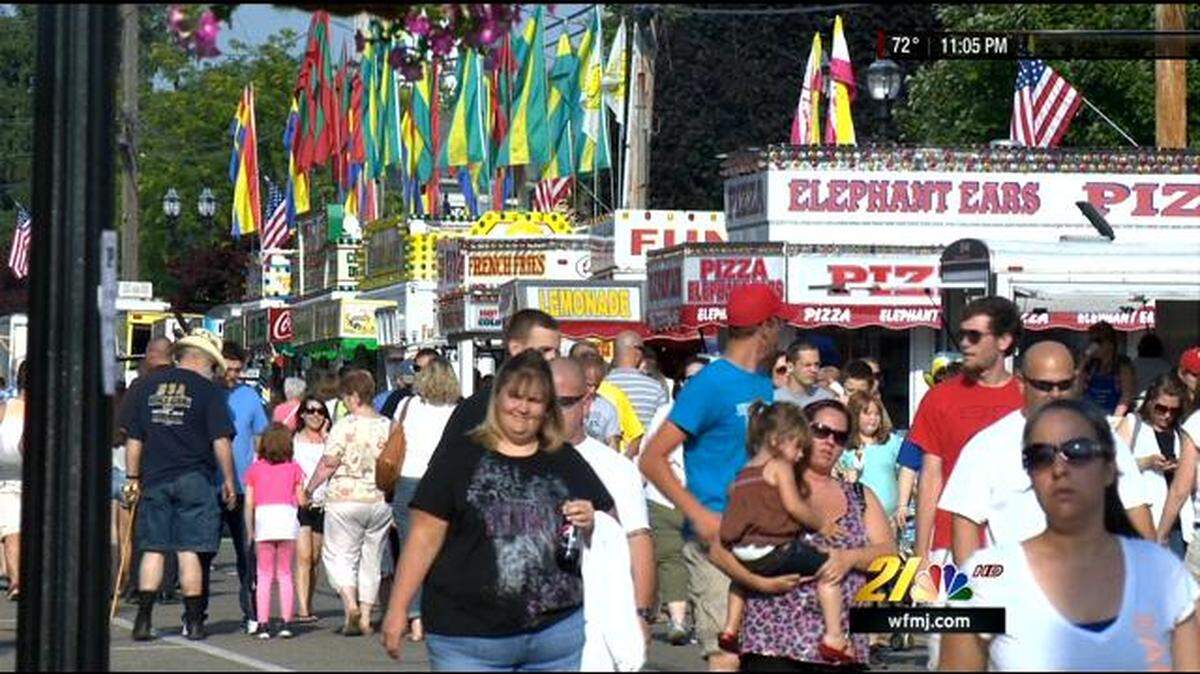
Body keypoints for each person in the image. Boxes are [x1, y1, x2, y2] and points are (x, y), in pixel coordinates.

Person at [380, 350, 613, 670]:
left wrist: (591, 521)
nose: (522, 408)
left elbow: (609, 523)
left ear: (546, 408)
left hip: (553, 636)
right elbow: (422, 537)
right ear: (495, 399)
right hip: (468, 638)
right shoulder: (460, 457)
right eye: (514, 397)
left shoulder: (563, 458)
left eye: (534, 400)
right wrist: (398, 609)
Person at [940, 399, 1200, 671]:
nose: (1060, 469)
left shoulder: (1165, 580)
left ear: (1111, 469)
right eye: (1040, 457)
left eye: (1079, 452)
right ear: (1028, 473)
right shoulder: (987, 582)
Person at [641, 283, 786, 671]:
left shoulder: (765, 382)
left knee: (768, 653)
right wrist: (698, 514)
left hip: (766, 536)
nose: (784, 332)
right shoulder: (709, 384)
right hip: (718, 537)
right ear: (766, 327)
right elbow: (652, 459)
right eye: (780, 324)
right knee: (727, 655)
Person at [708, 399, 896, 670]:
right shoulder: (768, 483)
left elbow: (888, 553)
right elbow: (718, 549)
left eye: (840, 436)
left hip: (843, 650)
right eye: (820, 430)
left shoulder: (859, 496)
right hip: (772, 645)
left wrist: (847, 558)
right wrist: (758, 583)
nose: (830, 441)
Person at [940, 341, 1155, 569]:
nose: (1055, 394)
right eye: (1044, 386)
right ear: (1022, 383)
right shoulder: (987, 447)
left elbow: (1138, 518)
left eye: (1064, 385)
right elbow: (965, 537)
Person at [910, 297, 1025, 669]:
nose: (964, 343)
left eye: (975, 336)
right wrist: (920, 558)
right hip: (948, 551)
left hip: (1014, 548)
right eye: (962, 335)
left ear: (1005, 341)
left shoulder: (1028, 398)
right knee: (947, 658)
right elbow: (930, 477)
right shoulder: (939, 398)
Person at [124, 329, 237, 641]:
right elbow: (221, 441)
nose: (214, 372)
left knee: (153, 549)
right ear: (201, 361)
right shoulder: (209, 392)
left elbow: (134, 439)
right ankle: (195, 622)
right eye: (213, 366)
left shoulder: (145, 386)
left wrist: (133, 479)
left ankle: (143, 619)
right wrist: (228, 479)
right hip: (195, 477)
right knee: (189, 550)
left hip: (155, 476)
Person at [551, 358, 655, 646]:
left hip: (597, 613)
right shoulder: (518, 460)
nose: (552, 412)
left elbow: (638, 539)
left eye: (563, 403)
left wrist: (642, 614)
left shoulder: (616, 469)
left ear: (587, 403)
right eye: (545, 402)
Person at [304, 370, 393, 637]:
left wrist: (310, 488)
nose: (343, 402)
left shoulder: (345, 425)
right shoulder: (389, 425)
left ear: (353, 397)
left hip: (345, 499)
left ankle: (350, 605)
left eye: (345, 398)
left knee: (339, 556)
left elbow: (329, 463)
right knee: (372, 558)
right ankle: (366, 616)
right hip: (379, 500)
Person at [388, 356, 460, 642]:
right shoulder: (457, 410)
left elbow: (392, 438)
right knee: (446, 552)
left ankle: (416, 619)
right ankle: (442, 614)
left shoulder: (408, 406)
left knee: (410, 551)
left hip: (408, 481)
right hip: (443, 483)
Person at [641, 355, 708, 645]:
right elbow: (647, 452)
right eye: (691, 379)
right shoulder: (665, 412)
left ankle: (707, 623)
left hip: (705, 501)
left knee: (705, 562)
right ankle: (679, 622)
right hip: (663, 497)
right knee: (671, 559)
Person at [433, 310, 562, 458]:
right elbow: (445, 470)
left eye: (556, 352)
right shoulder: (478, 408)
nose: (552, 358)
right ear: (516, 349)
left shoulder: (554, 403)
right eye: (544, 350)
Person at [1117, 373, 1194, 559]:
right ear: (1150, 402)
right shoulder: (1132, 424)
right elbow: (1114, 469)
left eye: (1173, 410)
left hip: (1178, 522)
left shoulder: (1182, 430)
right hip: (1142, 519)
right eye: (1161, 408)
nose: (1167, 415)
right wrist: (1147, 462)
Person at [220, 342, 270, 633]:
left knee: (247, 553)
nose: (235, 375)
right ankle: (195, 613)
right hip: (211, 484)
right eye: (230, 368)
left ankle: (251, 611)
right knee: (202, 553)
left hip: (244, 488)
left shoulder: (250, 397)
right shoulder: (209, 394)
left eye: (239, 369)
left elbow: (260, 440)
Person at [244, 424, 307, 639]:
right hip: (287, 521)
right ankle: (286, 621)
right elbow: (301, 499)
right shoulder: (294, 468)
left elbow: (249, 502)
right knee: (285, 573)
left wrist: (250, 530)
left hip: (264, 520)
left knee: (264, 574)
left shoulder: (255, 469)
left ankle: (262, 623)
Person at [292, 395, 330, 623]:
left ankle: (309, 601)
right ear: (302, 414)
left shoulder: (330, 441)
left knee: (315, 558)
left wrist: (326, 436)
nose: (315, 415)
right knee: (304, 557)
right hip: (300, 503)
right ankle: (303, 608)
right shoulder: (293, 441)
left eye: (320, 411)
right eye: (311, 410)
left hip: (324, 504)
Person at [841, 391, 904, 521]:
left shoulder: (892, 442)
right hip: (860, 519)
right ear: (855, 415)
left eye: (876, 414)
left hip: (891, 519)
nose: (873, 418)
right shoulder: (845, 447)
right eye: (867, 413)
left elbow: (905, 474)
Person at [581, 353, 645, 455]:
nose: (592, 390)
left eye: (596, 385)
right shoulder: (565, 403)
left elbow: (614, 444)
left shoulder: (608, 407)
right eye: (588, 385)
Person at [606, 330, 669, 432]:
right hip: (645, 447)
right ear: (637, 353)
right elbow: (662, 428)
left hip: (607, 447)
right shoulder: (655, 388)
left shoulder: (600, 385)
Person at [0, 361, 25, 601]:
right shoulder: (44, 409)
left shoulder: (5, 408)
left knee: (12, 531)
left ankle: (16, 580)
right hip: (32, 478)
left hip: (6, 479)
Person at [1078, 321, 1137, 417]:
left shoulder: (1122, 365)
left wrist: (1115, 419)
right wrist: (1083, 362)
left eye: (1098, 341)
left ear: (1110, 343)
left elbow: (1127, 395)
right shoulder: (1090, 366)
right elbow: (1077, 391)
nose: (1094, 345)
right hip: (1091, 417)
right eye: (1091, 341)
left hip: (1113, 417)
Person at [380, 348, 441, 419]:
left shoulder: (451, 400)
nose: (422, 373)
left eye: (429, 369)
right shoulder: (400, 398)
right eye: (417, 368)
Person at [775, 340, 835, 408]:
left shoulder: (825, 400)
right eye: (807, 365)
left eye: (816, 364)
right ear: (790, 367)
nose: (814, 370)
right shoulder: (775, 400)